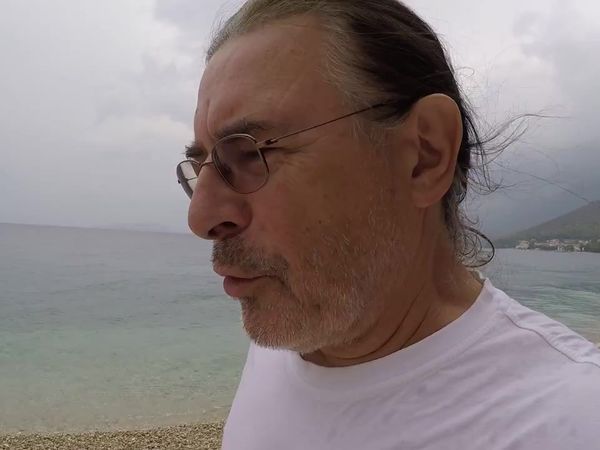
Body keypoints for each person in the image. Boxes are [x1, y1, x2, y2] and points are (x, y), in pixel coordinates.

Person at [175, 1, 600, 448]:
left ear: (424, 156)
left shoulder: (571, 422)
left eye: (250, 154)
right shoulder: (289, 330)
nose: (200, 218)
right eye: (200, 167)